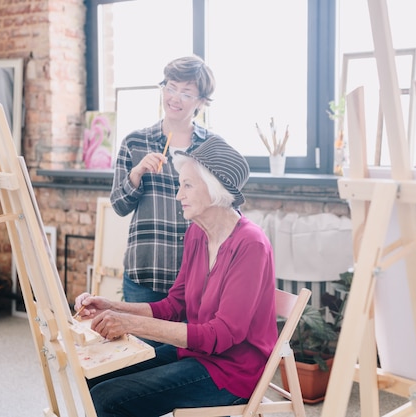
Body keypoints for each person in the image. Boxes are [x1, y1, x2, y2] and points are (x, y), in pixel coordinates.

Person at [75, 137, 278, 416]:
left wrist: (129, 323)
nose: (178, 195)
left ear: (215, 188)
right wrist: (112, 307)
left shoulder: (251, 245)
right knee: (95, 376)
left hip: (232, 370)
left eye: (188, 185)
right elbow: (174, 306)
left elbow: (220, 335)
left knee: (110, 397)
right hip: (197, 353)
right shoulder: (197, 233)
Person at [110, 55, 218, 306]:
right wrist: (136, 174)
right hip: (146, 272)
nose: (174, 98)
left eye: (186, 93)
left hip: (197, 277)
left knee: (191, 345)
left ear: (201, 101)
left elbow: (227, 211)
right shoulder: (135, 142)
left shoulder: (212, 147)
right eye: (170, 87)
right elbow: (118, 205)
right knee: (146, 347)